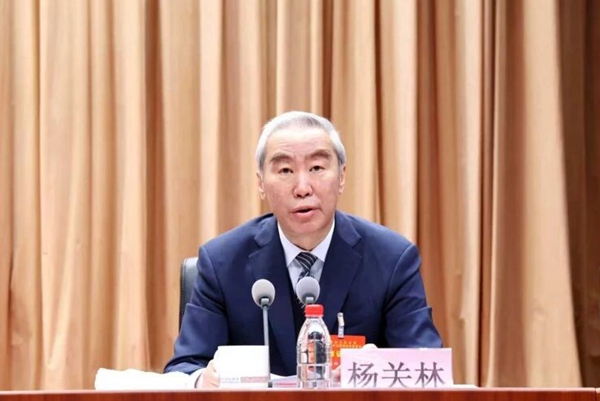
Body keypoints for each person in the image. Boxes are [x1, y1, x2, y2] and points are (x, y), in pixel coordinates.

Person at [164, 111, 442, 388]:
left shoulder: (392, 259)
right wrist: (202, 380)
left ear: (341, 177)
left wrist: (376, 369)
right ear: (261, 183)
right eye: (285, 171)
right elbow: (186, 367)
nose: (302, 188)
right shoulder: (222, 262)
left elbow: (428, 368)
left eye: (317, 168)